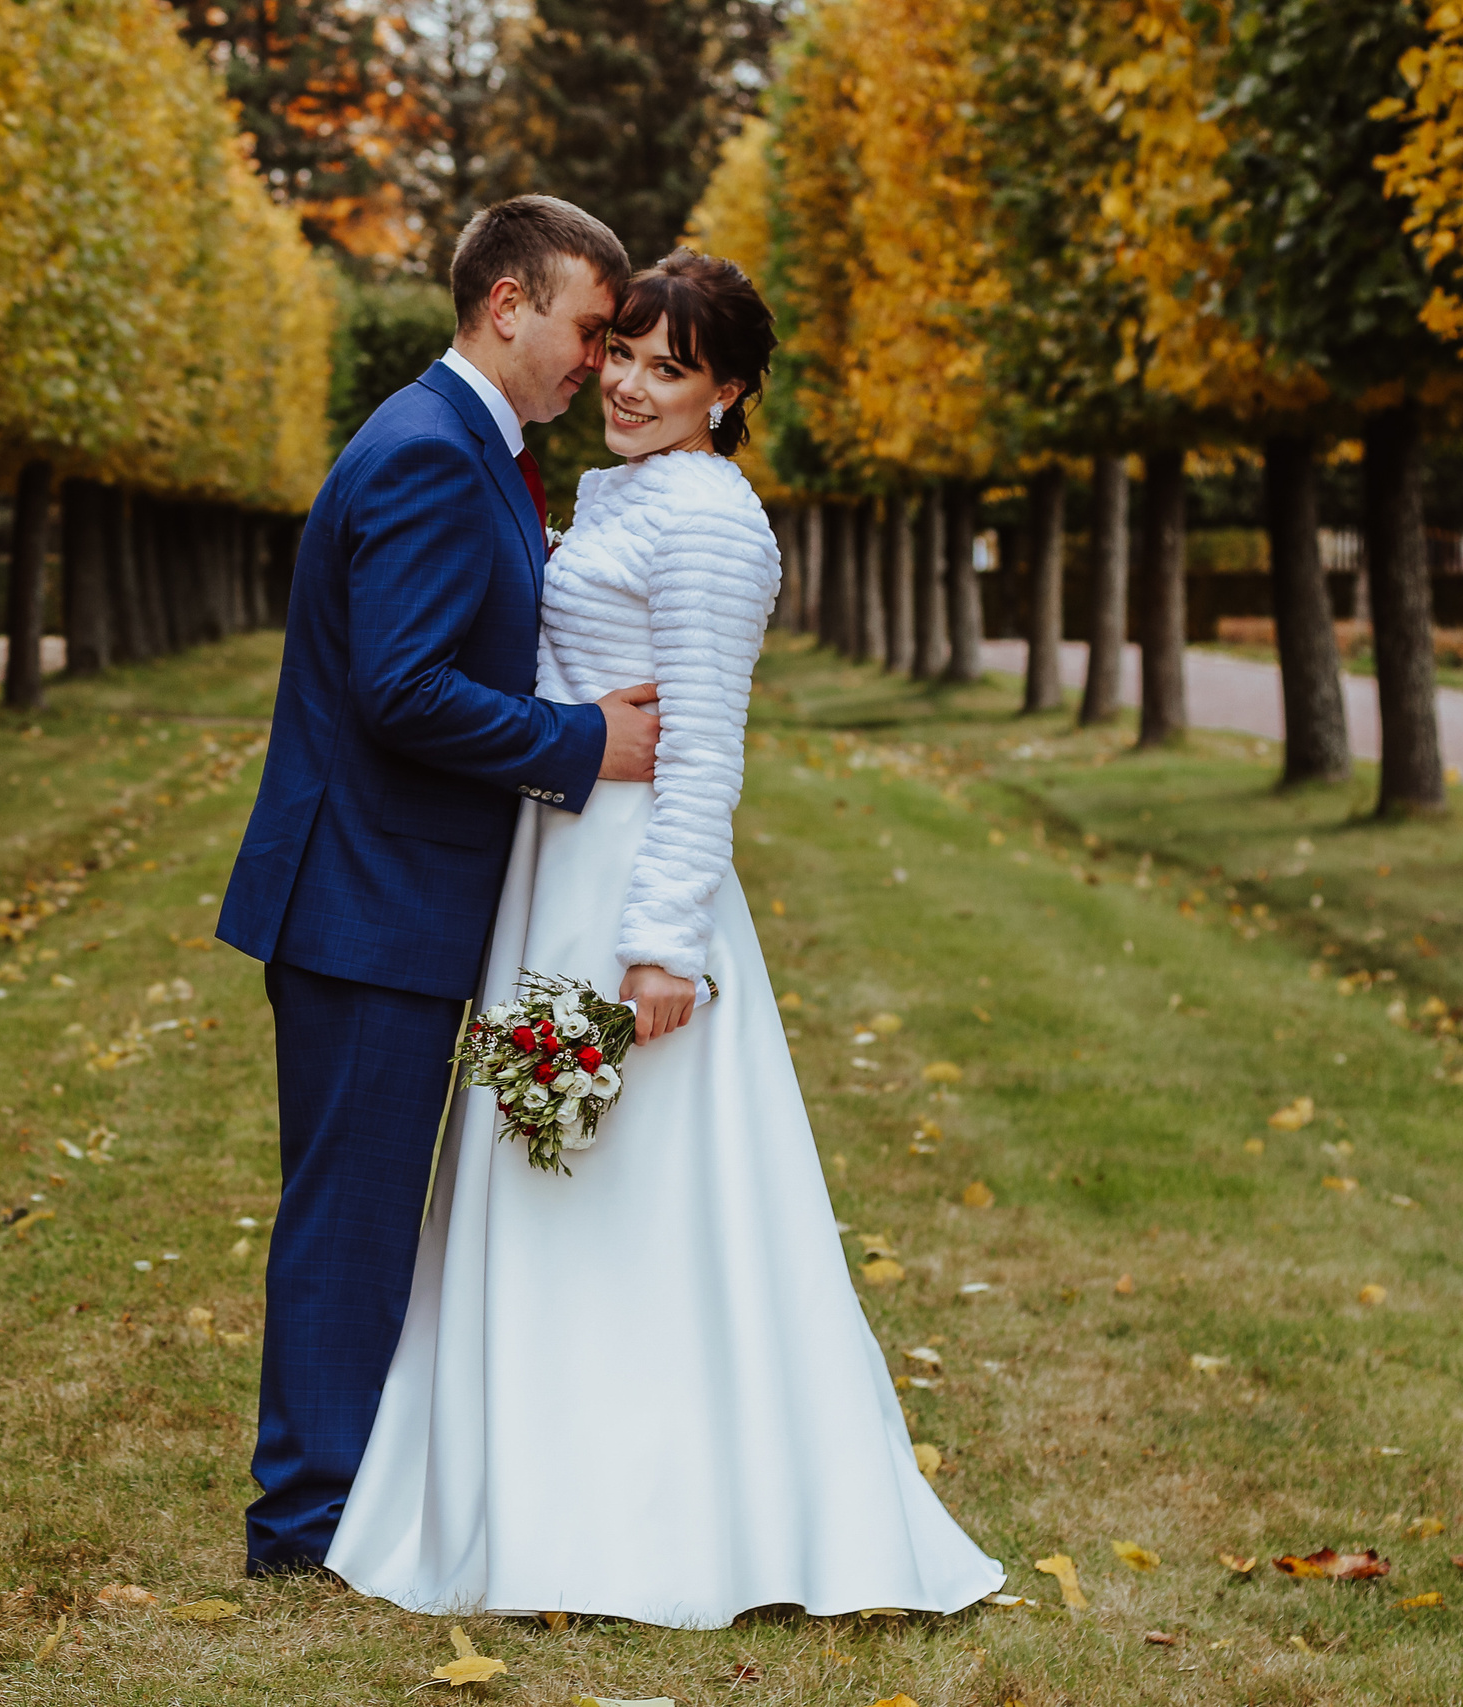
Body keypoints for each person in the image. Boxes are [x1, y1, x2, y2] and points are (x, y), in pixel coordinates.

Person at [321, 250, 1005, 1624]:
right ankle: (527, 1488)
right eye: (621, 352)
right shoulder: (623, 488)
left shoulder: (708, 521)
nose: (627, 385)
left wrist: (659, 948)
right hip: (555, 862)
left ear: (728, 391)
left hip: (628, 889)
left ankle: (657, 1513)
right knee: (550, 1181)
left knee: (635, 1196)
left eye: (668, 368)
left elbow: (704, 755)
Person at [216, 195, 664, 1577]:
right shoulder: (427, 450)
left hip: (391, 893)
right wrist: (586, 743)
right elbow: (401, 690)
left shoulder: (473, 444)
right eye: (592, 329)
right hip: (366, 901)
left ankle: (341, 1501)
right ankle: (305, 1529)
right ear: (508, 305)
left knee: (359, 1216)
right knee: (348, 1222)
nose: (601, 360)